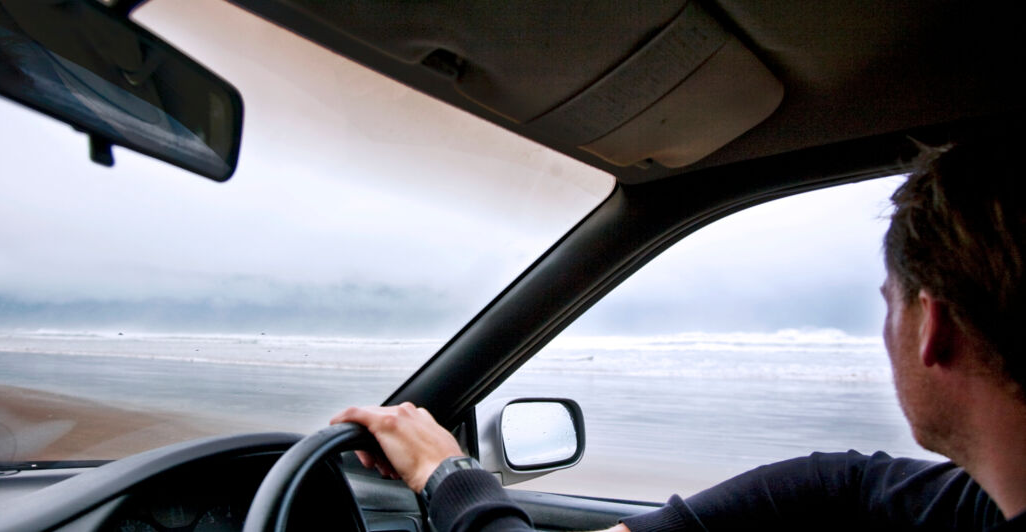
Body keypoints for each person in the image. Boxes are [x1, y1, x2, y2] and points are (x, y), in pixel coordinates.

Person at [332, 133, 1026, 532]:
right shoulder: (978, 504)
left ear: (930, 325)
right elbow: (834, 487)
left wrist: (447, 474)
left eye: (888, 305)